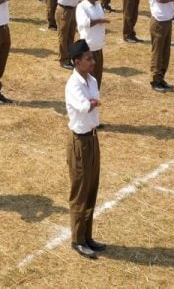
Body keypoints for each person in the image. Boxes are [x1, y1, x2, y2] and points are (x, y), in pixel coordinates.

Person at [64, 40, 104, 259]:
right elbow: (83, 106)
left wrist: (92, 102)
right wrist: (92, 103)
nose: (93, 62)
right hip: (79, 141)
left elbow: (93, 101)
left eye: (92, 58)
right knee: (80, 191)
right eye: (88, 59)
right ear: (77, 61)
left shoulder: (91, 80)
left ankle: (88, 235)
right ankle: (78, 239)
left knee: (91, 187)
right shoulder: (73, 84)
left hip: (92, 137)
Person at [147, 0, 174, 92]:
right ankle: (155, 80)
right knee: (158, 52)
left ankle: (161, 77)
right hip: (159, 23)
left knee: (165, 52)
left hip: (167, 21)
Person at [75, 0, 107, 87]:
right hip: (88, 50)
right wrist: (100, 21)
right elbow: (85, 22)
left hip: (98, 48)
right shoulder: (81, 7)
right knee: (88, 80)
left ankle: (95, 99)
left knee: (97, 79)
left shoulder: (98, 6)